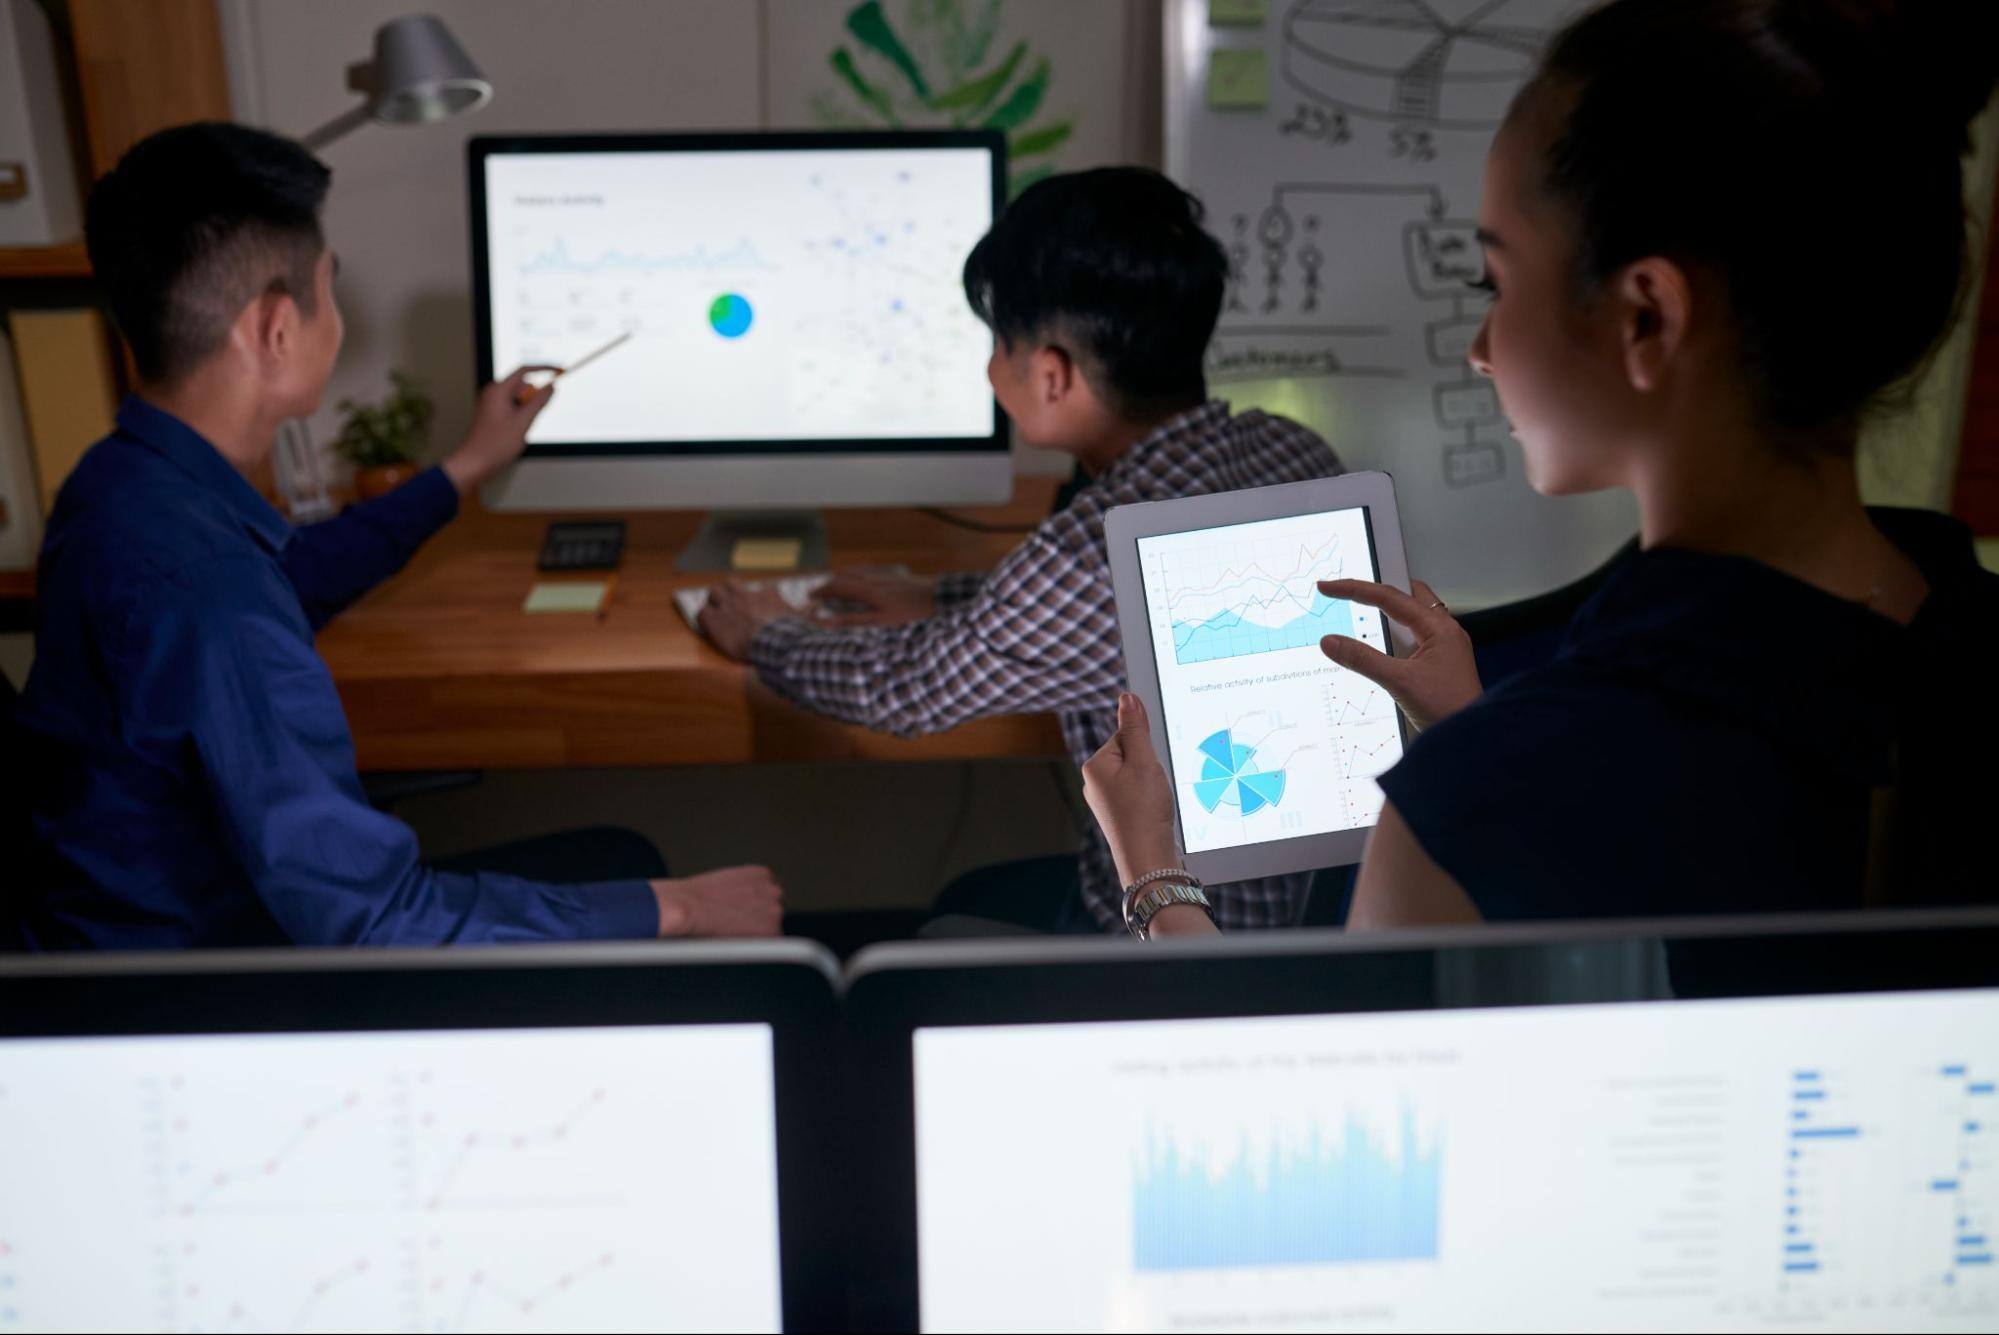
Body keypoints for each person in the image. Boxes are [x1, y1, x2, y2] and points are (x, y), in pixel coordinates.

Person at [1081, 0, 1999, 939]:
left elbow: (1327, 1083)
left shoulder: (1476, 803)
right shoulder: (1958, 657)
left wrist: (1154, 871)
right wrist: (1478, 726)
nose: (1480, 347)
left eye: (1497, 281)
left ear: (1645, 318)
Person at [14, 123, 782, 949]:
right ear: (277, 330)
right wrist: (678, 909)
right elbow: (373, 918)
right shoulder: (211, 591)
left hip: (105, 939)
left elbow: (289, 576)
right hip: (208, 998)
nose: (334, 318)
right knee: (641, 874)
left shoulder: (117, 483)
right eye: (329, 288)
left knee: (622, 858)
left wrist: (464, 467)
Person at [698, 167, 1341, 932]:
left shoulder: (1097, 549)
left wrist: (766, 634)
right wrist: (941, 597)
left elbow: (903, 692)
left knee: (940, 924)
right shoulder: (1290, 449)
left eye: (996, 342)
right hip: (1309, 922)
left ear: (1050, 374)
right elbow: (1111, 624)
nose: (988, 369)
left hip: (1173, 949)